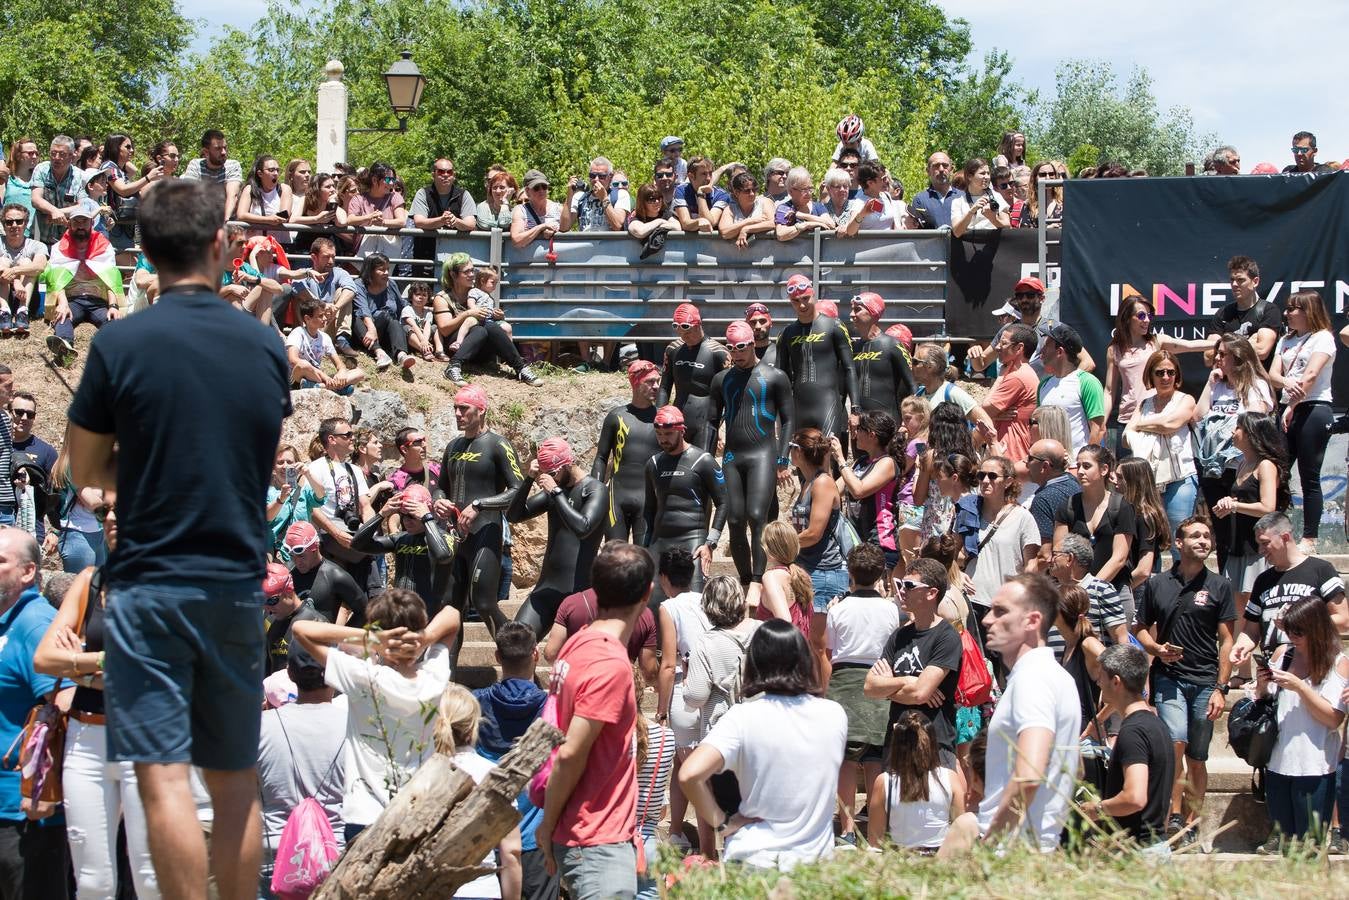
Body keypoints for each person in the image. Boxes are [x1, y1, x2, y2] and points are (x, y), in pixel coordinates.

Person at [64, 179, 293, 900]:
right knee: (235, 783)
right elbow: (251, 450)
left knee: (161, 775)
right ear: (221, 246)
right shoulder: (264, 347)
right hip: (232, 583)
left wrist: (149, 466)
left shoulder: (119, 343)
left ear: (144, 253)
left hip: (149, 585)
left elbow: (85, 468)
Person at [290, 590, 458, 844]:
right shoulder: (433, 677)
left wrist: (371, 639)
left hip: (365, 813)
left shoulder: (364, 678)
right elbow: (452, 615)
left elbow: (301, 629)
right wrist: (423, 639)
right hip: (419, 811)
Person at [679, 619, 847, 871]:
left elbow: (689, 775)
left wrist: (722, 823)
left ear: (754, 663)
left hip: (754, 859)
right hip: (814, 865)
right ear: (805, 660)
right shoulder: (835, 715)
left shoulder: (742, 717)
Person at [940, 574, 1081, 855]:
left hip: (1012, 854)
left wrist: (990, 844)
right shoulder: (1052, 676)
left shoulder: (1033, 679)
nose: (987, 620)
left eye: (1001, 611)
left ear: (1032, 621)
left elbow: (1029, 775)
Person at [538, 542, 649, 898]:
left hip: (597, 835)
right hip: (596, 839)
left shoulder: (578, 641)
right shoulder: (610, 664)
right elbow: (571, 753)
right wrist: (547, 825)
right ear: (647, 594)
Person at [1129, 517, 1234, 845]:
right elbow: (1140, 628)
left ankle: (1192, 825)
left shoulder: (1220, 586)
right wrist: (1156, 649)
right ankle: (1172, 817)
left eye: (1207, 536)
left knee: (1197, 756)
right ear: (1178, 542)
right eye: (1195, 535)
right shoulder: (1159, 583)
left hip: (1205, 682)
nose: (1203, 541)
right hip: (1169, 678)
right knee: (1174, 742)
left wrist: (1222, 687)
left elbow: (1227, 640)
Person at [0, 527, 67, 898]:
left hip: (23, 815)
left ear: (28, 572)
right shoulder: (8, 622)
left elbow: (61, 706)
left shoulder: (36, 624)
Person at [433, 386, 524, 652]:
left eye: (464, 409)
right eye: (455, 409)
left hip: (485, 532)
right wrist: (438, 499)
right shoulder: (453, 446)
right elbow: (441, 485)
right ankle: (449, 678)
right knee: (451, 609)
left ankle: (516, 657)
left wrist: (480, 505)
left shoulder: (498, 444)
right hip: (454, 536)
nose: (458, 414)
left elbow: (518, 490)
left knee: (483, 603)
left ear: (481, 410)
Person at [707, 322, 794, 587]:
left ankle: (758, 579)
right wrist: (706, 456)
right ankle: (745, 580)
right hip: (733, 457)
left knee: (758, 516)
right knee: (734, 519)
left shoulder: (774, 376)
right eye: (731, 348)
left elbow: (789, 420)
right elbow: (711, 422)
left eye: (742, 347)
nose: (737, 353)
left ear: (752, 343)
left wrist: (782, 459)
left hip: (763, 455)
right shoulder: (722, 379)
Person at [255, 649, 348, 896]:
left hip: (274, 858)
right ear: (335, 676)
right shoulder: (355, 728)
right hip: (333, 855)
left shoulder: (260, 728)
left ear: (291, 674)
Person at [1257, 597, 1348, 851]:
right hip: (1278, 762)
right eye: (1288, 630)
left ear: (1316, 629)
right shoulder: (1283, 654)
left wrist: (1299, 687)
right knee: (1284, 845)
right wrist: (1263, 685)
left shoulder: (1337, 663)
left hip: (1314, 766)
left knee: (1310, 847)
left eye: (1299, 631)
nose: (1292, 636)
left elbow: (1333, 718)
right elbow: (1266, 701)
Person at [471, 623, 553, 900]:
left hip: (487, 837)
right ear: (536, 655)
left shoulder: (476, 704)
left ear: (497, 657)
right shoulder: (551, 707)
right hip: (537, 837)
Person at [825, 543, 899, 842]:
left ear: (849, 574)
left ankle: (846, 828)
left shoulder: (839, 609)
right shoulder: (891, 610)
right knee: (876, 759)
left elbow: (830, 649)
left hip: (844, 681)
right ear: (881, 573)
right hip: (880, 678)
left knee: (845, 760)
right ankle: (877, 830)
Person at [1080, 644, 1176, 854]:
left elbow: (1134, 797)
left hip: (1137, 852)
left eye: (1101, 677)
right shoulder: (1157, 725)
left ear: (1116, 682)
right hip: (1156, 846)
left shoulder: (1133, 732)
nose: (1098, 682)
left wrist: (1096, 809)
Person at [508, 438, 607, 637]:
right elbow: (514, 515)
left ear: (568, 464)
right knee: (515, 640)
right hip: (546, 589)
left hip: (578, 593)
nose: (548, 478)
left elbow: (582, 527)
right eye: (544, 474)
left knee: (576, 659)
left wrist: (555, 491)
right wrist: (529, 479)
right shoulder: (554, 492)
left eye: (552, 473)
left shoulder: (595, 489)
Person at [1194, 333, 1274, 564]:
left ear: (1238, 357)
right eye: (1216, 353)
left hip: (1239, 465)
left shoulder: (1256, 385)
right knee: (1222, 529)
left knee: (1243, 528)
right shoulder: (1217, 385)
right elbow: (1198, 416)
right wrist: (1210, 384)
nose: (1217, 358)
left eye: (1223, 354)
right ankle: (1226, 581)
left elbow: (1253, 421)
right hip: (1213, 467)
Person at [1231, 512, 1349, 668]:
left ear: (1285, 537)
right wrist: (1241, 645)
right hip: (1274, 674)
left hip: (1313, 671)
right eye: (1258, 544)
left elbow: (1344, 621)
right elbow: (1251, 630)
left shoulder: (1321, 570)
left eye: (1265, 543)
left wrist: (1297, 624)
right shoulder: (1262, 580)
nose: (1260, 550)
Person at [1268, 290, 1336, 552]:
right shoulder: (1286, 340)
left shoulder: (1323, 338)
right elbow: (1273, 374)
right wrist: (1286, 386)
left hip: (1314, 409)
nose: (1287, 313)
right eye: (1287, 308)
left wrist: (1293, 405)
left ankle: (1310, 538)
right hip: (1288, 409)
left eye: (1293, 309)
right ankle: (1275, 533)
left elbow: (1311, 375)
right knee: (1276, 472)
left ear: (1309, 311)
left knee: (1309, 475)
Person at [652, 548, 709, 851]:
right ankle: (676, 830)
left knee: (690, 769)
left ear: (664, 577)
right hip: (710, 691)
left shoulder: (668, 607)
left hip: (683, 692)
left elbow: (668, 663)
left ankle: (705, 842)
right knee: (682, 764)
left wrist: (661, 710)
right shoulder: (705, 601)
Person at [641, 405, 727, 603]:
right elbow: (648, 510)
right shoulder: (653, 464)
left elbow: (723, 503)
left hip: (692, 540)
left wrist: (710, 544)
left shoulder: (703, 461)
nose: (663, 439)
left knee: (693, 604)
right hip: (659, 541)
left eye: (669, 434)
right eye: (659, 434)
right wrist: (644, 548)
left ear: (681, 431)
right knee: (652, 605)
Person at [787, 428, 846, 674]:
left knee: (820, 648)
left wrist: (783, 546)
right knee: (809, 645)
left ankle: (822, 701)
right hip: (808, 570)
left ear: (799, 452)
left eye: (791, 447)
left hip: (825, 572)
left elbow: (814, 532)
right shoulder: (807, 483)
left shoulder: (822, 483)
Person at [1212, 414, 1288, 605]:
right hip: (1238, 543)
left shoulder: (1266, 465)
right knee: (1236, 603)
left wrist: (1235, 506)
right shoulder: (1242, 464)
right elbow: (1244, 498)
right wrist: (1228, 502)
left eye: (1238, 428)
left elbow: (1267, 506)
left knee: (1255, 600)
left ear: (1251, 434)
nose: (1233, 432)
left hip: (1257, 547)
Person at [434, 253, 540, 387]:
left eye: (472, 270)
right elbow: (444, 330)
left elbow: (488, 316)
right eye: (467, 271)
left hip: (480, 350)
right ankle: (453, 366)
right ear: (453, 275)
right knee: (480, 330)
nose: (472, 275)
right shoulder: (442, 298)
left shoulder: (477, 292)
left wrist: (496, 316)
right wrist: (468, 313)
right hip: (457, 346)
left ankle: (520, 367)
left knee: (492, 327)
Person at [1124, 350, 1198, 542]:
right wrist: (1158, 423)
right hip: (1149, 482)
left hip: (1180, 478)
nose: (1165, 377)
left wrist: (1141, 425)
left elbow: (1169, 425)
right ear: (1151, 375)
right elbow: (1126, 437)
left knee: (1178, 539)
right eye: (1159, 373)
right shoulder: (1144, 404)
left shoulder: (1186, 399)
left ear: (1177, 375)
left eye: (1170, 372)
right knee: (1149, 539)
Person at [351, 483, 456, 617]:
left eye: (412, 515)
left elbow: (443, 555)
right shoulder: (400, 539)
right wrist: (381, 514)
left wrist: (427, 518)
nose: (407, 520)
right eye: (403, 515)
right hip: (401, 614)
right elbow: (357, 544)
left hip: (431, 616)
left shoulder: (444, 537)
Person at [867, 710, 966, 852]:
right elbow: (961, 830)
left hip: (900, 862)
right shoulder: (950, 778)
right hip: (940, 862)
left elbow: (875, 842)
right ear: (932, 742)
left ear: (896, 744)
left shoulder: (884, 782)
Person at [776, 274, 857, 442]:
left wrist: (855, 408)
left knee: (829, 457)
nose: (802, 305)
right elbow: (780, 375)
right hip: (799, 407)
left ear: (814, 295)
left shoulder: (834, 326)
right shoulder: (787, 333)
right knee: (801, 463)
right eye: (796, 301)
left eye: (806, 298)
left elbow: (849, 368)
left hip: (828, 404)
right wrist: (779, 412)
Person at [1054, 445, 1137, 611]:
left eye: (1086, 466)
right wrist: (1077, 592)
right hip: (1075, 595)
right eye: (1078, 466)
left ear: (1104, 469)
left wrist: (1091, 590)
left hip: (1114, 592)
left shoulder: (1122, 506)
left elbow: (1119, 558)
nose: (1080, 472)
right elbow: (1059, 554)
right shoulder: (1068, 507)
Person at [43, 198, 126, 362]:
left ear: (91, 223)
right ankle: (65, 347)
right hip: (73, 299)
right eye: (76, 222)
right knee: (63, 318)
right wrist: (63, 303)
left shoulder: (104, 246)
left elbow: (111, 279)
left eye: (84, 221)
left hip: (98, 300)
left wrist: (113, 306)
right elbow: (56, 279)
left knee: (113, 320)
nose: (80, 225)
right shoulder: (60, 247)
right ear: (70, 224)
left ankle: (101, 342)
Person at [956, 456, 1039, 616]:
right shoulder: (967, 511)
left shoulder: (1023, 517)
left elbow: (1032, 564)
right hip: (971, 601)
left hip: (1007, 605)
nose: (985, 481)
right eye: (981, 476)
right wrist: (957, 573)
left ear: (1008, 482)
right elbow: (951, 553)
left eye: (992, 476)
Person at [592, 360, 661, 544]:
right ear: (636, 383)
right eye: (650, 382)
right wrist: (594, 491)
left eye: (657, 381)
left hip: (648, 500)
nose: (656, 386)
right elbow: (601, 457)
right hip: (617, 498)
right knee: (615, 558)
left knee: (644, 560)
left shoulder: (662, 419)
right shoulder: (617, 416)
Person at [307, 418, 378, 594]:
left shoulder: (354, 470)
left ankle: (375, 598)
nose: (352, 438)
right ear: (331, 439)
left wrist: (369, 529)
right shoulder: (316, 468)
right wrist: (337, 534)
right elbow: (312, 509)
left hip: (353, 534)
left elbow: (365, 505)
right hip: (329, 536)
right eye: (347, 435)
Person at [831, 410, 899, 568]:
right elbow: (834, 491)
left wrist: (841, 459)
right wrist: (827, 458)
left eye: (860, 428)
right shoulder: (860, 462)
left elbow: (859, 491)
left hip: (879, 540)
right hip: (857, 538)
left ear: (872, 435)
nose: (855, 432)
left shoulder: (886, 462)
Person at [658, 303, 728, 450]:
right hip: (677, 420)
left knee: (701, 467)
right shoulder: (673, 349)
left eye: (687, 331)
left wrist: (721, 425)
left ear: (698, 324)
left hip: (706, 422)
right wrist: (660, 415)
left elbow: (729, 394)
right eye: (680, 332)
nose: (684, 336)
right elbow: (664, 387)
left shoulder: (719, 352)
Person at [282, 521, 367, 626]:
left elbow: (364, 612)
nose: (296, 561)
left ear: (315, 547)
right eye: (292, 555)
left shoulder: (336, 576)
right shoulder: (285, 572)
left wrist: (339, 637)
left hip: (318, 641)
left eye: (301, 556)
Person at [1037, 324, 1105, 455]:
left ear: (1060, 352)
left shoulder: (1087, 382)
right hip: (1046, 467)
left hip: (1074, 466)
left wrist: (1084, 465)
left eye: (1046, 346)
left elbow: (1098, 430)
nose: (1042, 351)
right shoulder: (1043, 385)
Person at [849, 292, 915, 422]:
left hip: (888, 423)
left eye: (857, 310)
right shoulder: (854, 348)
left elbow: (912, 386)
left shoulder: (892, 345)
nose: (851, 315)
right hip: (860, 423)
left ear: (873, 313)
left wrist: (907, 421)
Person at [980, 323, 1038, 462]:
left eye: (1003, 343)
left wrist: (1001, 376)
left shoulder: (1017, 376)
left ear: (1019, 348)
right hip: (1013, 451)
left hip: (1011, 453)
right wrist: (997, 416)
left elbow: (984, 410)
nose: (998, 347)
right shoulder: (1023, 373)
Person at [409, 158, 477, 275]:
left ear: (453, 175)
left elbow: (471, 224)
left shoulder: (464, 195)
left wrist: (455, 221)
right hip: (425, 257)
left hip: (456, 260)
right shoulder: (422, 193)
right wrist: (442, 220)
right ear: (433, 174)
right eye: (441, 172)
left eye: (449, 172)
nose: (445, 175)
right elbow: (419, 221)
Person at [911, 343, 996, 436]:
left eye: (915, 362)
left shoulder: (952, 393)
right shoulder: (919, 395)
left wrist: (970, 445)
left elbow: (986, 423)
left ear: (930, 366)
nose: (911, 366)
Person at [286, 297, 365, 394]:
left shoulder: (325, 337)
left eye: (324, 315)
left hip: (317, 379)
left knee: (359, 373)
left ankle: (320, 387)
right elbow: (293, 360)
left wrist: (342, 372)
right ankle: (337, 389)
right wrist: (324, 376)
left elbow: (339, 364)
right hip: (297, 378)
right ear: (307, 318)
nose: (324, 319)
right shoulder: (298, 333)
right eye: (320, 316)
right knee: (303, 365)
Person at [261, 561, 328, 675]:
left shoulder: (316, 623)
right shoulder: (269, 622)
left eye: (271, 600)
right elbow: (266, 668)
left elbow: (330, 673)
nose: (267, 608)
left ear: (288, 591)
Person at [1024, 439, 1078, 568]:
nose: (1026, 463)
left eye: (1030, 458)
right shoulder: (1074, 482)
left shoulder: (1043, 500)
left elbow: (1044, 556)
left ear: (1045, 466)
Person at [756, 521, 814, 636]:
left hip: (780, 651)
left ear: (769, 550)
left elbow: (785, 623)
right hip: (802, 649)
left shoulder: (771, 577)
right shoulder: (803, 575)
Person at [29, 135, 87, 244]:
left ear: (71, 156)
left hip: (70, 240)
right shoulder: (41, 169)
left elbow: (83, 205)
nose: (56, 157)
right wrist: (53, 211)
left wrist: (59, 213)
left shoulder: (80, 176)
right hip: (40, 238)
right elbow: (35, 199)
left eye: (62, 154)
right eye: (53, 153)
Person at [0, 204, 46, 337]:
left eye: (19, 221)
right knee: (3, 261)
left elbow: (39, 267)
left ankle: (22, 311)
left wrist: (15, 271)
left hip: (26, 294)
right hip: (4, 290)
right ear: (4, 225)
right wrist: (15, 281)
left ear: (25, 224)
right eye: (9, 222)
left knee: (26, 262)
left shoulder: (37, 245)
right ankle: (4, 311)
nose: (14, 225)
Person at [181, 130, 243, 216]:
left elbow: (232, 196)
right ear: (206, 152)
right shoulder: (195, 165)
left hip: (227, 221)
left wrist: (224, 222)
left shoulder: (233, 165)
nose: (224, 152)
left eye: (225, 147)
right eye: (218, 149)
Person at [235, 154, 292, 245]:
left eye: (277, 170)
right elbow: (241, 215)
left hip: (280, 244)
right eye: (271, 170)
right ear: (260, 173)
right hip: (255, 245)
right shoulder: (250, 189)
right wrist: (268, 219)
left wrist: (255, 220)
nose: (276, 173)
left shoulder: (284, 189)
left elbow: (284, 216)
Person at [564, 157, 626, 233]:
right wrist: (569, 195)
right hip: (584, 243)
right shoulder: (580, 197)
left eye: (601, 176)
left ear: (610, 177)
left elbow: (617, 225)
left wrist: (604, 198)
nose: (596, 179)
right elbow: (564, 227)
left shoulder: (620, 194)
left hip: (608, 244)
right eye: (592, 175)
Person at [949, 158, 1010, 237]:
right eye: (982, 173)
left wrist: (993, 219)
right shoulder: (958, 202)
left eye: (988, 173)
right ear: (969, 176)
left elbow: (1007, 226)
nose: (987, 177)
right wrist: (971, 211)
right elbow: (957, 233)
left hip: (993, 244)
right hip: (969, 246)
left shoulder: (996, 196)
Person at [773, 167, 834, 241]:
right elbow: (781, 235)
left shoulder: (818, 206)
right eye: (804, 189)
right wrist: (806, 225)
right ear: (790, 191)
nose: (808, 193)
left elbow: (831, 224)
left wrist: (802, 215)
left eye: (810, 189)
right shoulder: (784, 208)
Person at [717, 172, 776, 249]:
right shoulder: (730, 209)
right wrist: (748, 221)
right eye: (747, 191)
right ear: (736, 192)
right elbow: (725, 233)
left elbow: (774, 223)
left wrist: (746, 229)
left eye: (754, 190)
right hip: (738, 257)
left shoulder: (765, 202)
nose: (752, 194)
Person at [672, 156, 728, 232]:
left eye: (710, 173)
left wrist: (701, 193)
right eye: (704, 174)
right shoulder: (681, 190)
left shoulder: (721, 195)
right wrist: (698, 222)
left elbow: (710, 222)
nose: (708, 178)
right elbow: (685, 223)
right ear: (691, 176)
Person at [509, 170, 563, 248]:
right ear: (527, 191)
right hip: (528, 260)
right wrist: (541, 227)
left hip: (556, 258)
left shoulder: (559, 209)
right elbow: (517, 241)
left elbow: (570, 234)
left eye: (544, 187)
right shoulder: (520, 211)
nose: (541, 191)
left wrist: (555, 232)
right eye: (536, 188)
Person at [906, 152, 959, 229]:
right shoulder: (920, 200)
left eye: (945, 165)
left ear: (951, 169)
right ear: (928, 171)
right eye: (936, 166)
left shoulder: (962, 197)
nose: (941, 169)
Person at [743, 302, 777, 366]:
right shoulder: (740, 354)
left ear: (770, 323)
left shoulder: (781, 353)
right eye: (753, 322)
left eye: (762, 321)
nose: (758, 326)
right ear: (746, 326)